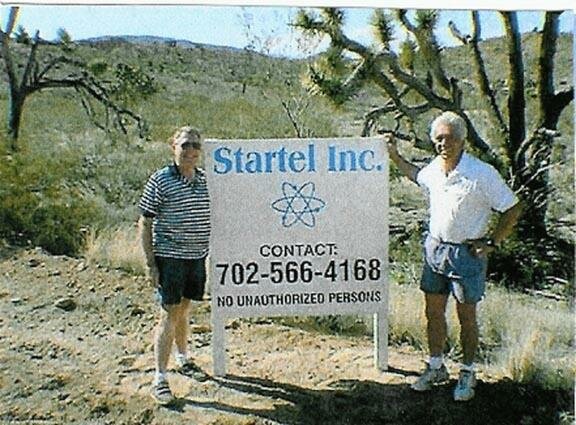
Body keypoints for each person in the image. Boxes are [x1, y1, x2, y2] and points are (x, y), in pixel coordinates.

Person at [385, 111, 522, 402]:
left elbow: (512, 207)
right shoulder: (434, 169)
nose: (443, 144)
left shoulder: (481, 173)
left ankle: (468, 371)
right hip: (435, 250)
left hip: (467, 254)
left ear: (462, 140)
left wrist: (493, 242)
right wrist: (394, 156)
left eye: (449, 138)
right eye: (438, 138)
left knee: (466, 317)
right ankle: (436, 366)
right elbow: (414, 175)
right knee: (433, 312)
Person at [138, 126, 211, 405]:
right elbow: (145, 221)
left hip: (196, 256)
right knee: (169, 314)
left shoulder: (204, 181)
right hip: (170, 258)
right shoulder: (161, 180)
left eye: (195, 145)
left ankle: (183, 358)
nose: (190, 150)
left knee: (184, 309)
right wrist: (150, 264)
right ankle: (160, 377)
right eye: (184, 145)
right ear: (173, 147)